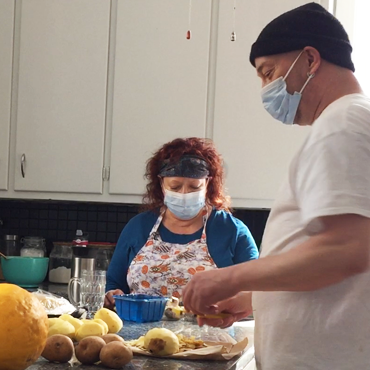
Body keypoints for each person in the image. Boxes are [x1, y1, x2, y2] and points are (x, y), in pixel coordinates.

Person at [182, 3, 370, 369]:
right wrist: (253, 298)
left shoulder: (342, 123)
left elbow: (348, 249)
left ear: (310, 60)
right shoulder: (350, 121)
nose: (266, 89)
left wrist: (230, 277)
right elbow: (335, 270)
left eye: (269, 73)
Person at [104, 137, 258, 309]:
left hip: (208, 333)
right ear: (161, 183)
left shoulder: (232, 231)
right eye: (175, 187)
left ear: (208, 183)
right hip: (139, 334)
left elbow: (255, 289)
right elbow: (114, 284)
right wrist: (112, 295)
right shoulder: (138, 227)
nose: (184, 194)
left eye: (194, 187)